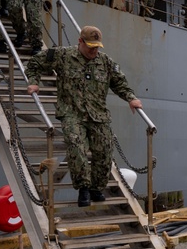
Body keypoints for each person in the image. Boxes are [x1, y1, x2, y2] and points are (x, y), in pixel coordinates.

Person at [25, 25, 142, 207]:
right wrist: (33, 82)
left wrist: (131, 98)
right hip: (72, 113)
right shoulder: (62, 56)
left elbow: (119, 82)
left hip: (98, 115)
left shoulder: (105, 62)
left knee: (104, 152)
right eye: (90, 46)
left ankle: (96, 188)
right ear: (80, 42)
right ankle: (84, 189)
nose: (94, 50)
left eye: (97, 47)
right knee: (77, 148)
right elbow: (34, 63)